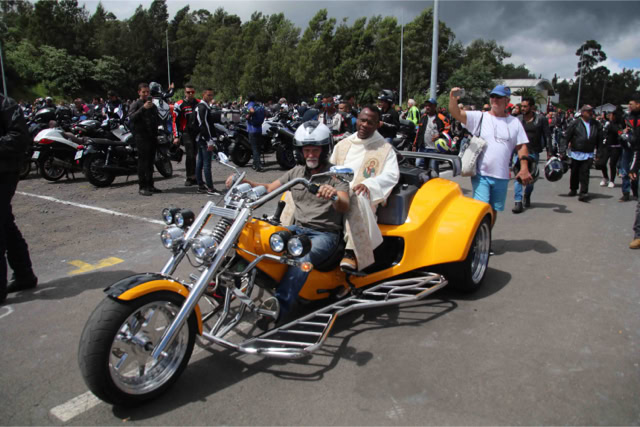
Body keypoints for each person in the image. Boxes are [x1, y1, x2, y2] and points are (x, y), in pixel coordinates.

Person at [225, 121, 349, 320]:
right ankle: (227, 285)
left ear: (324, 150)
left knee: (301, 259)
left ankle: (279, 309)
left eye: (315, 150)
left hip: (325, 235)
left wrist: (334, 196)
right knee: (256, 240)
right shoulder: (296, 172)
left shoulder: (335, 175)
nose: (310, 155)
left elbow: (344, 204)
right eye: (306, 150)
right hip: (297, 229)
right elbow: (269, 188)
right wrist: (245, 182)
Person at [448, 85, 532, 228]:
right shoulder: (480, 117)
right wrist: (453, 98)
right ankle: (477, 237)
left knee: (493, 210)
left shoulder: (514, 122)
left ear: (507, 101)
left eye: (498, 97)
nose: (494, 100)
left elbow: (521, 146)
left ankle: (485, 237)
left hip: (502, 176)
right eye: (492, 96)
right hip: (482, 175)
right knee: (481, 209)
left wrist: (524, 168)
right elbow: (456, 113)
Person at [330, 105, 399, 271]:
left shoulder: (385, 149)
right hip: (339, 191)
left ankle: (352, 252)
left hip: (364, 195)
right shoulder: (342, 145)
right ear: (357, 120)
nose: (365, 125)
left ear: (377, 125)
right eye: (362, 120)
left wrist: (369, 184)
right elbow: (329, 169)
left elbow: (391, 175)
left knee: (357, 196)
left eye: (370, 122)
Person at [0, 93, 38, 303]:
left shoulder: (6, 105)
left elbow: (19, 137)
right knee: (5, 223)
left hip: (4, 172)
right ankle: (24, 274)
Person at [511, 97, 552, 213]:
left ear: (532, 107)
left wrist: (549, 152)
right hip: (519, 152)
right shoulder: (517, 119)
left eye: (525, 106)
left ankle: (527, 195)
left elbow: (547, 136)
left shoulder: (541, 119)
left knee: (531, 177)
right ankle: (518, 202)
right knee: (518, 176)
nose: (523, 108)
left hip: (533, 152)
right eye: (522, 106)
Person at [559, 104, 603, 202]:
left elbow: (600, 140)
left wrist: (599, 153)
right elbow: (566, 137)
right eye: (588, 111)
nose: (590, 113)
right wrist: (562, 150)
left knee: (585, 173)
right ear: (582, 113)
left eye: (591, 111)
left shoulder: (596, 124)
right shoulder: (575, 123)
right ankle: (573, 188)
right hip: (576, 152)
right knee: (574, 172)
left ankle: (583, 192)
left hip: (588, 153)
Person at [128, 83, 161, 196]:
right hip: (141, 137)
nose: (146, 94)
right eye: (144, 92)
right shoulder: (136, 104)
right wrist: (143, 108)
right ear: (139, 92)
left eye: (148, 92)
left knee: (150, 162)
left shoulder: (153, 105)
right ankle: (142, 186)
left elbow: (157, 119)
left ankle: (150, 185)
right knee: (143, 162)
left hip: (152, 136)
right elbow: (131, 118)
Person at [194, 89, 221, 196]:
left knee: (200, 162)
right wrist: (209, 140)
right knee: (206, 164)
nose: (210, 97)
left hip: (200, 138)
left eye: (212, 95)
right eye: (208, 95)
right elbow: (204, 125)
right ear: (203, 95)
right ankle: (210, 188)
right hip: (204, 139)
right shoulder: (203, 107)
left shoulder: (201, 106)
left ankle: (201, 186)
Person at [173, 83, 200, 185]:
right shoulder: (179, 104)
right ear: (185, 93)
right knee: (190, 154)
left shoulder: (199, 103)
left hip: (197, 133)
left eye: (192, 92)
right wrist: (176, 136)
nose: (190, 94)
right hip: (186, 133)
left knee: (195, 154)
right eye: (188, 92)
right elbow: (175, 121)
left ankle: (195, 176)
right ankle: (189, 177)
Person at [626, 93, 640, 249]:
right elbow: (637, 148)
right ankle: (638, 236)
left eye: (632, 103)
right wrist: (634, 167)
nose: (629, 106)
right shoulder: (632, 119)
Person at [621, 99, 640, 202]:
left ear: (638, 104)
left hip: (638, 148)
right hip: (628, 147)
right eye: (628, 104)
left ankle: (636, 192)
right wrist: (622, 132)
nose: (629, 106)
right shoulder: (627, 117)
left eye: (631, 104)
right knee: (625, 170)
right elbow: (618, 130)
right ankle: (626, 193)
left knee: (635, 171)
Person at [598, 109, 623, 189]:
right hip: (607, 146)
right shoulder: (607, 123)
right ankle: (605, 177)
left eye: (611, 115)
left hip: (616, 147)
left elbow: (619, 132)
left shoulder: (618, 124)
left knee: (612, 164)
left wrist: (619, 131)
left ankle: (612, 180)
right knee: (602, 163)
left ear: (615, 116)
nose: (609, 116)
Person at [246, 93, 266, 172]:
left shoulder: (250, 104)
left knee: (254, 148)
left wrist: (248, 116)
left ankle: (258, 166)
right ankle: (255, 164)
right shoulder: (258, 104)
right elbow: (266, 113)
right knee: (258, 148)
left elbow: (252, 111)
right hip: (259, 129)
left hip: (252, 129)